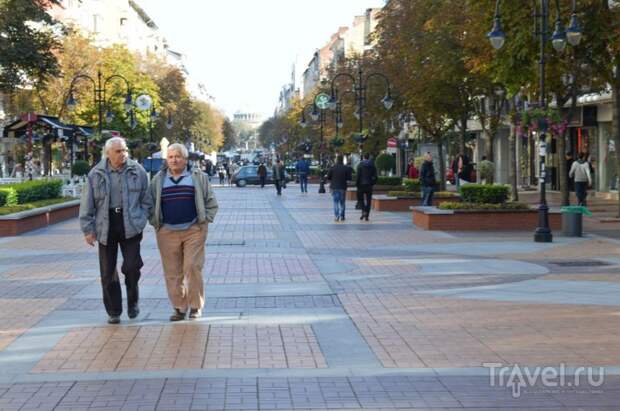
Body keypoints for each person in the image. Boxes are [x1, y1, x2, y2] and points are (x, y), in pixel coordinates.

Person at [79, 137, 152, 324]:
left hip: (131, 224)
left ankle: (133, 302)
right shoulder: (96, 174)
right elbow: (87, 204)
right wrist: (88, 229)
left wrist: (141, 219)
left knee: (132, 267)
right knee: (108, 271)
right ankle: (114, 310)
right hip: (106, 225)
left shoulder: (138, 171)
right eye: (119, 151)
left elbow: (147, 199)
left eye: (125, 150)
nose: (123, 154)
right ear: (108, 154)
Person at [149, 143, 218, 321]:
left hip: (193, 229)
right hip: (167, 231)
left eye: (178, 156)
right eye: (170, 157)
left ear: (185, 159)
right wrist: (156, 223)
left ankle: (195, 306)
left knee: (192, 267)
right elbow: (149, 203)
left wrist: (205, 221)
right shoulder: (158, 179)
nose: (174, 160)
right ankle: (179, 307)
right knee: (172, 271)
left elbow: (210, 201)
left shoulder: (198, 176)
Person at [327, 155, 353, 222]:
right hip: (343, 187)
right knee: (342, 202)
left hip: (334, 187)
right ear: (342, 160)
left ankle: (336, 216)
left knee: (335, 202)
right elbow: (349, 178)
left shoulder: (333, 168)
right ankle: (342, 216)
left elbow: (328, 177)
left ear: (336, 160)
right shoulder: (346, 168)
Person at [356, 153, 377, 221]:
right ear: (369, 157)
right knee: (368, 201)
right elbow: (375, 176)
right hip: (369, 185)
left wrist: (357, 184)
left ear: (363, 158)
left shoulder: (360, 165)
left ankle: (364, 211)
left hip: (361, 185)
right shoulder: (372, 164)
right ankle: (367, 215)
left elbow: (358, 176)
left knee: (360, 199)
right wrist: (372, 183)